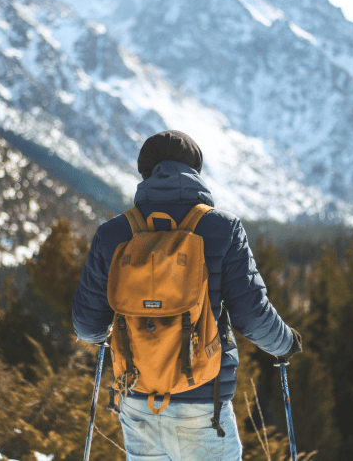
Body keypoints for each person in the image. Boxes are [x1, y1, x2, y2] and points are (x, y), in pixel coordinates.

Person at [73, 130, 302, 461]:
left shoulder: (113, 234)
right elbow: (252, 316)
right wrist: (285, 344)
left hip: (138, 398)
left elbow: (86, 326)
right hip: (203, 402)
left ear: (146, 173)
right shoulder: (222, 228)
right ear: (195, 171)